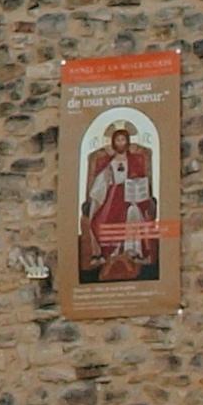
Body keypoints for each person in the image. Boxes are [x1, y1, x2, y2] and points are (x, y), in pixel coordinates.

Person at [80, 115, 161, 284]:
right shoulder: (108, 163)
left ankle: (133, 251)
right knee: (99, 220)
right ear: (113, 143)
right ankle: (110, 253)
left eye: (124, 139)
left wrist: (139, 192)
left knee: (133, 212)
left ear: (128, 141)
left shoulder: (136, 161)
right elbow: (100, 184)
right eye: (118, 140)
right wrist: (97, 195)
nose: (121, 143)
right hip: (112, 198)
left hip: (133, 199)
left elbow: (142, 182)